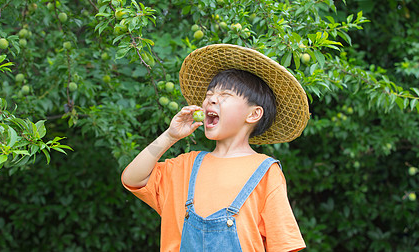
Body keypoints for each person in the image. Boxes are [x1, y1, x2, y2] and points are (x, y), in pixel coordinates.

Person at [121, 44, 310, 251]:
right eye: (209, 94)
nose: (211, 99)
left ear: (253, 114)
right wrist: (169, 136)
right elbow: (132, 178)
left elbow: (283, 245)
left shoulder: (265, 172)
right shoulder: (185, 166)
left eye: (225, 95)